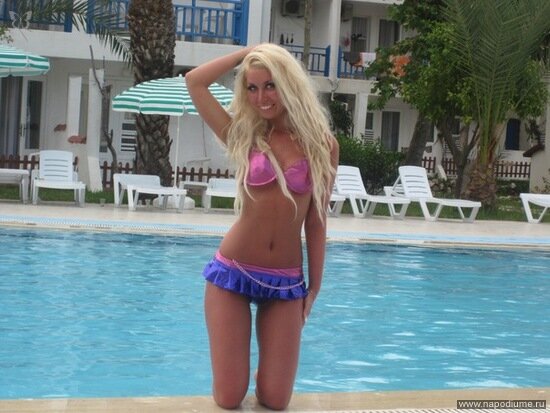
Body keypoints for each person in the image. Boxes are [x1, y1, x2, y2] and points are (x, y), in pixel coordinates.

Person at [185, 43, 339, 410]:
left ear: (288, 83)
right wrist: (248, 52)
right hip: (232, 274)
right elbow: (195, 82)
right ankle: (239, 373)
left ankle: (265, 374)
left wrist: (314, 288)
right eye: (252, 88)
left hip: (285, 282)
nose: (261, 97)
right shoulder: (244, 135)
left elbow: (316, 221)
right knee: (229, 397)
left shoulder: (323, 145)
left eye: (270, 85)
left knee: (275, 399)